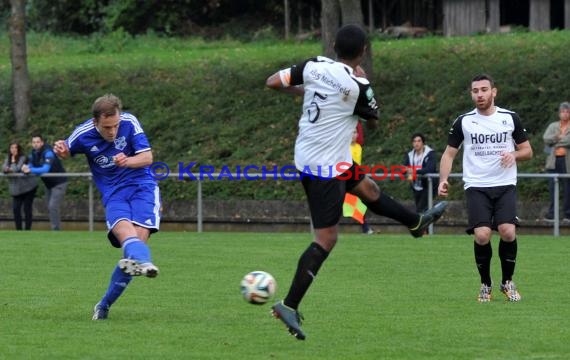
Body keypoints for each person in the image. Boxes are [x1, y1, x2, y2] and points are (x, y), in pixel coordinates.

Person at [265, 24, 447, 340]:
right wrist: (364, 84)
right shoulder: (359, 85)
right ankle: (288, 305)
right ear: (363, 51)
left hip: (316, 154)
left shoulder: (313, 65)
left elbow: (272, 82)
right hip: (324, 169)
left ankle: (415, 222)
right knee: (326, 238)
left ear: (334, 46)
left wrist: (308, 91)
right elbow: (373, 123)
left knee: (368, 188)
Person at [53, 94, 161, 320]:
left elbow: (148, 157)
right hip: (114, 194)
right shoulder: (83, 134)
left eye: (115, 126)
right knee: (126, 235)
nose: (112, 132)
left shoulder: (130, 122)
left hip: (142, 188)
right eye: (106, 127)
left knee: (133, 249)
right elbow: (66, 149)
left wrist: (127, 161)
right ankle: (144, 262)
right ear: (95, 122)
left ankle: (103, 305)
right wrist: (61, 151)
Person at [438, 73, 533, 303]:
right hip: (477, 185)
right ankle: (485, 284)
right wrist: (443, 179)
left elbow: (527, 151)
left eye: (483, 90)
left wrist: (513, 154)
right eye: (475, 91)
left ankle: (507, 282)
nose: (479, 95)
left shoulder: (510, 118)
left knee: (508, 231)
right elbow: (449, 153)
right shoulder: (464, 121)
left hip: (504, 184)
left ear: (494, 91)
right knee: (481, 236)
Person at [21, 134, 68, 230]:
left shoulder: (48, 152)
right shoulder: (33, 153)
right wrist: (25, 168)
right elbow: (29, 164)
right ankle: (55, 228)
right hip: (49, 184)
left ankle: (56, 230)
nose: (35, 144)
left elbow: (45, 169)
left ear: (42, 143)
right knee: (50, 207)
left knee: (52, 206)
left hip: (59, 182)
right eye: (33, 142)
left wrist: (30, 170)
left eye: (38, 142)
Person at [542, 101, 570, 222]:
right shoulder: (553, 125)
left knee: (567, 187)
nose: (564, 114)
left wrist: (555, 141)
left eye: (567, 111)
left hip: (566, 161)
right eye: (562, 111)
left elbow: (568, 141)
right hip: (553, 161)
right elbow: (545, 138)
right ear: (559, 113)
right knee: (552, 187)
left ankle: (567, 215)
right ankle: (552, 214)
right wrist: (555, 138)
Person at [2, 142, 39, 230]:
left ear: (18, 149)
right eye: (12, 148)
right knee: (16, 209)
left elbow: (16, 169)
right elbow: (4, 168)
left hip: (28, 188)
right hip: (16, 190)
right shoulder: (8, 158)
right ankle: (18, 230)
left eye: (15, 148)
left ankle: (27, 229)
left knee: (27, 209)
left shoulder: (23, 158)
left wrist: (13, 163)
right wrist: (7, 168)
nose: (13, 150)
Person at [348, 126, 374, 234]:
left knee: (360, 203)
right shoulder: (345, 147)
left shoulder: (358, 147)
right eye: (352, 132)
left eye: (355, 132)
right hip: (344, 177)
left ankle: (365, 227)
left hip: (354, 177)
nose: (354, 135)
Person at [404, 133, 437, 213]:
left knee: (420, 210)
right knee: (422, 210)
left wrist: (414, 171)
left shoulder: (430, 154)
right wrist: (406, 172)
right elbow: (404, 168)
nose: (416, 143)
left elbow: (430, 169)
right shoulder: (410, 155)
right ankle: (426, 224)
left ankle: (422, 225)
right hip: (416, 186)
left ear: (423, 143)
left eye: (419, 141)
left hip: (428, 185)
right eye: (414, 141)